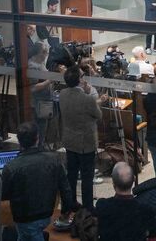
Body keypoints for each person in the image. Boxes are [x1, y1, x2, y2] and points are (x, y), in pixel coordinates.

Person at [2, 122, 74, 240]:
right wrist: (66, 212)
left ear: (19, 141)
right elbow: (65, 189)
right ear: (37, 138)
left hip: (23, 218)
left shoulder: (11, 167)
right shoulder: (54, 160)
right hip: (47, 213)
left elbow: (4, 195)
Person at [59, 65, 103, 211]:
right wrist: (89, 93)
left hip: (70, 141)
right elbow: (98, 115)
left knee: (71, 174)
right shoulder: (87, 99)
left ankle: (70, 203)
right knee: (87, 177)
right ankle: (88, 208)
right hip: (86, 143)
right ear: (79, 80)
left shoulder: (62, 94)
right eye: (83, 76)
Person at [96, 162, 156, 241]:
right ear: (134, 179)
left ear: (113, 183)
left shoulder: (102, 206)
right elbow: (154, 232)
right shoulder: (145, 210)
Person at [28, 43, 54, 147]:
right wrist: (49, 81)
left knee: (43, 125)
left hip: (45, 100)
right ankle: (38, 147)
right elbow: (33, 88)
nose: (46, 54)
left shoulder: (41, 63)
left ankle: (41, 145)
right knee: (39, 126)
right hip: (38, 102)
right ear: (37, 53)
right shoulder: (32, 67)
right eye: (44, 52)